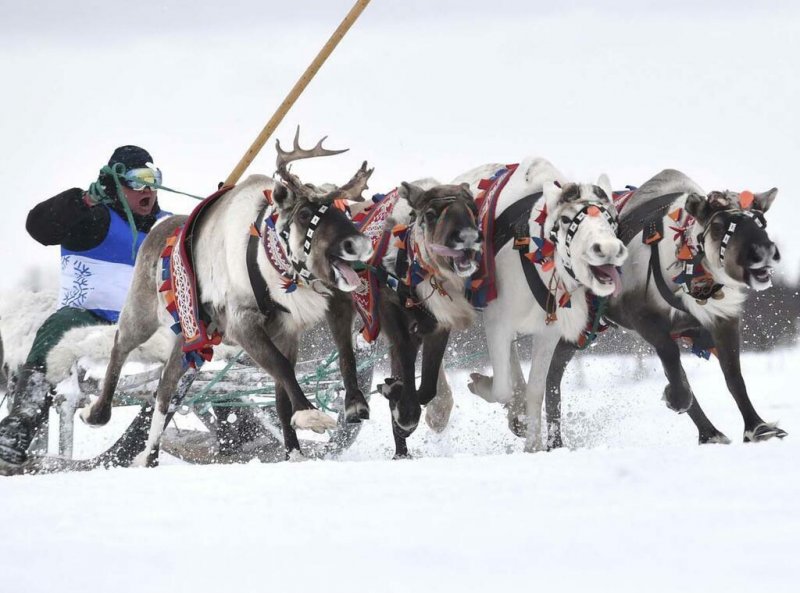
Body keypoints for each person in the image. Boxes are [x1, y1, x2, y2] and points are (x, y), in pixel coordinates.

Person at [0, 145, 169, 467]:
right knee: (56, 331)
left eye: (153, 179)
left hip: (148, 323)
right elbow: (39, 227)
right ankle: (20, 425)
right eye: (137, 180)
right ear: (115, 184)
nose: (147, 189)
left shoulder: (167, 226)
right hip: (86, 315)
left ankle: (240, 428)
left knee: (203, 336)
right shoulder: (91, 217)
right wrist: (83, 201)